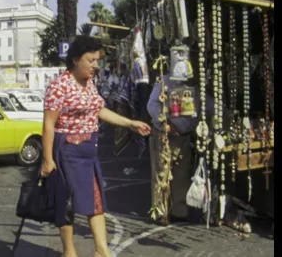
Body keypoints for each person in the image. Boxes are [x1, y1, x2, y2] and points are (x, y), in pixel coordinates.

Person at [41, 35, 151, 257]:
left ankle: (102, 250)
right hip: (67, 150)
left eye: (97, 60)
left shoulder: (89, 84)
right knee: (66, 202)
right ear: (75, 60)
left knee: (96, 199)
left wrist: (130, 123)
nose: (95, 66)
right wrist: (48, 159)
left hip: (89, 150)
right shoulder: (59, 86)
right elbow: (48, 124)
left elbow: (99, 110)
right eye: (91, 60)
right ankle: (69, 251)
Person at [147, 71, 214, 224]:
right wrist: (165, 123)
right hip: (164, 135)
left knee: (182, 174)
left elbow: (210, 106)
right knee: (161, 174)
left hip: (184, 135)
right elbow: (151, 106)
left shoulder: (196, 85)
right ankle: (161, 212)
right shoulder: (164, 81)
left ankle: (179, 211)